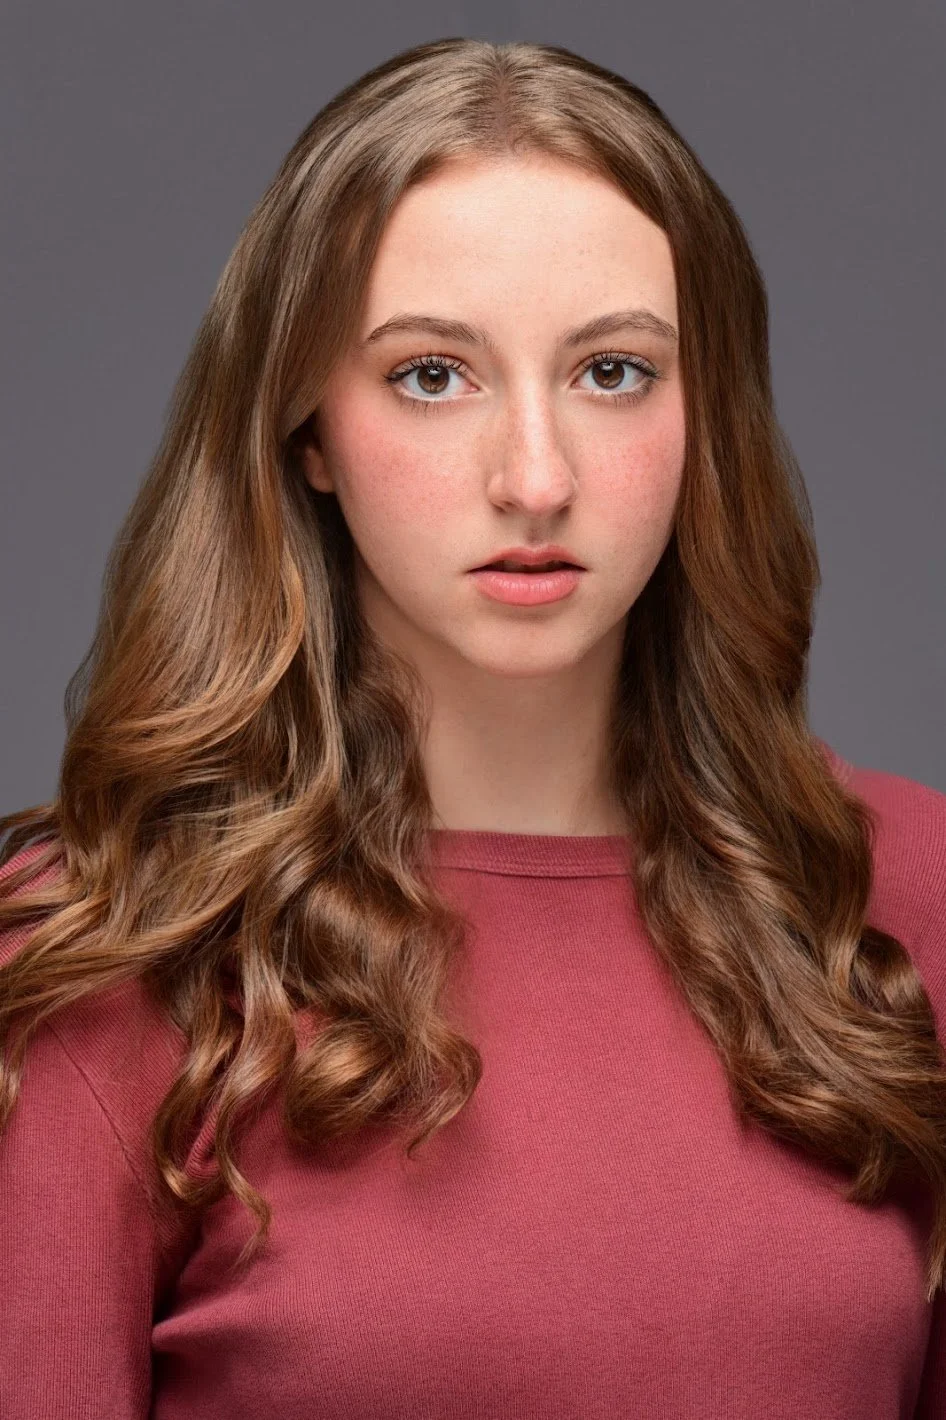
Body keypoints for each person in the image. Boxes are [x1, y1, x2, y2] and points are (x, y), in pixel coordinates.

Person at [0, 35, 944, 1420]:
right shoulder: (108, 948)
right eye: (432, 376)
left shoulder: (905, 896)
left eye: (611, 372)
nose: (535, 478)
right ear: (303, 429)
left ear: (706, 415)